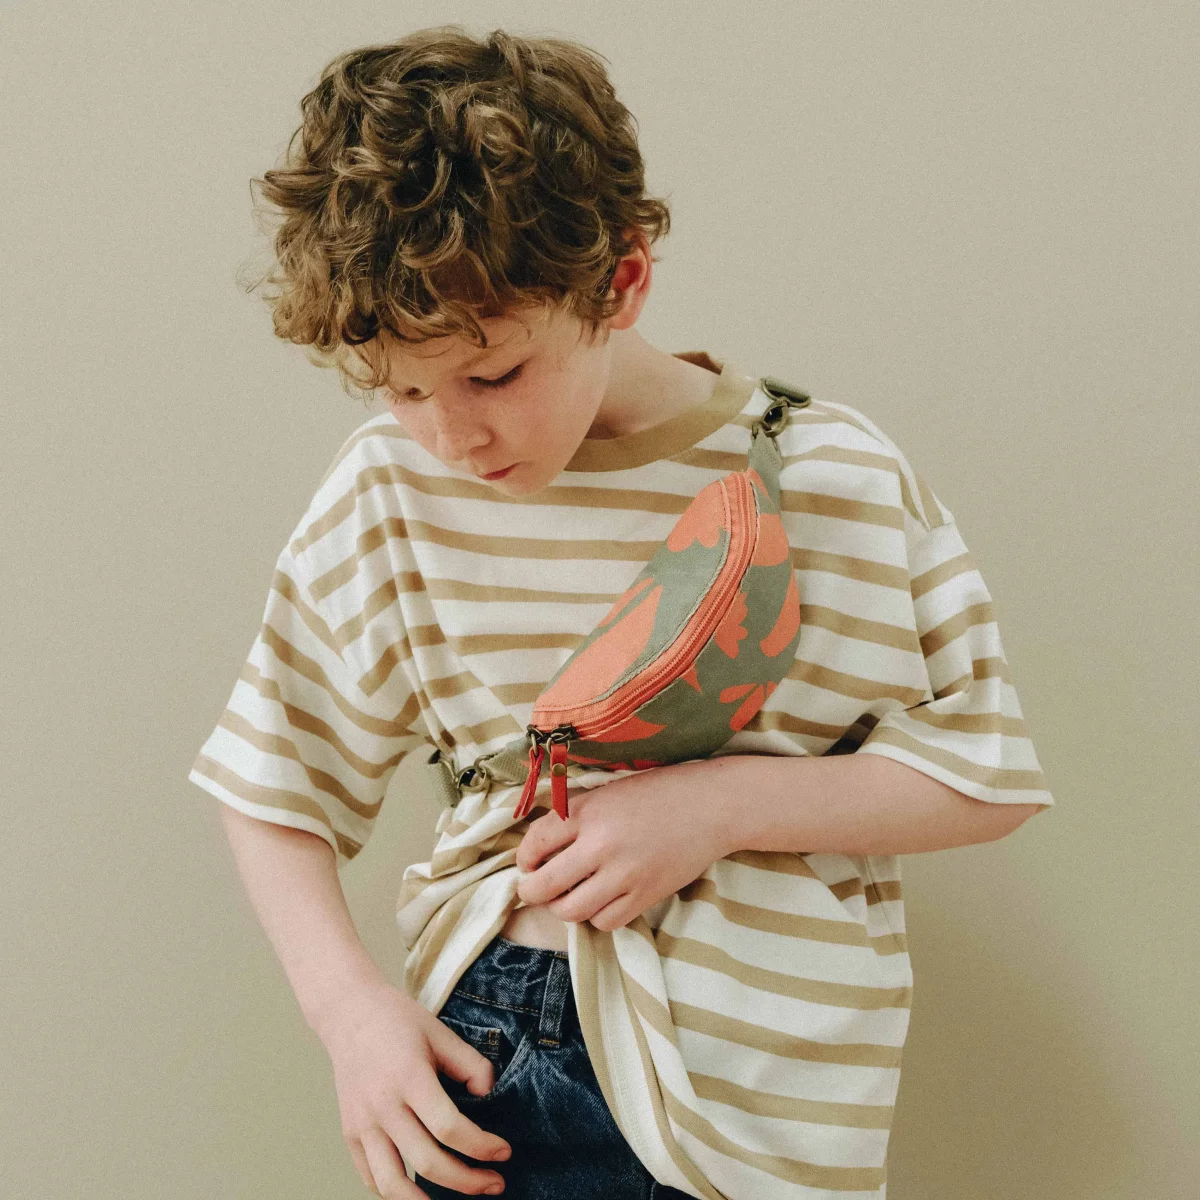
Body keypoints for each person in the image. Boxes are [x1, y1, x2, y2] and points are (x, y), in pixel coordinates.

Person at [188, 24, 1055, 1200]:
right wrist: (349, 1016)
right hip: (508, 1053)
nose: (453, 435)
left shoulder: (829, 474)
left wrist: (716, 807)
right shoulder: (389, 489)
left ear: (623, 282)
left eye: (494, 374)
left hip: (774, 1103)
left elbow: (985, 774)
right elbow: (271, 779)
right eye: (401, 390)